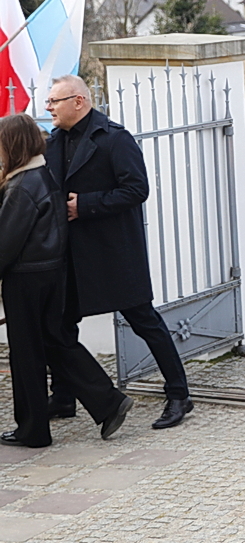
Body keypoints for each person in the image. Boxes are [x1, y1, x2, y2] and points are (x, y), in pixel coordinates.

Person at [42, 75, 194, 430]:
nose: (48, 107)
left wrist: (86, 205)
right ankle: (63, 396)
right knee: (60, 323)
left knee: (145, 322)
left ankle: (179, 394)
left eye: (54, 101)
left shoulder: (115, 138)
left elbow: (137, 189)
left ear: (78, 101)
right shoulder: (53, 141)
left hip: (113, 251)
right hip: (70, 253)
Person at [0, 114, 133, 448]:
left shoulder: (21, 185)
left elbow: (5, 244)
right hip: (49, 273)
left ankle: (33, 431)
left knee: (27, 353)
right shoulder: (40, 173)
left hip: (26, 278)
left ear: (11, 144)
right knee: (55, 342)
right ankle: (108, 401)